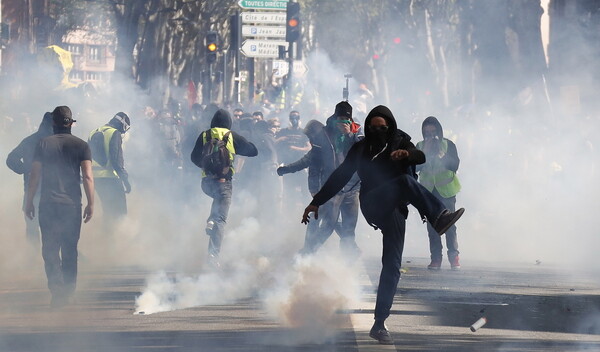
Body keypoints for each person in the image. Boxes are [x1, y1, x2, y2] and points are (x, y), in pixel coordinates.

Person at [301, 105, 464, 345]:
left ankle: (379, 324)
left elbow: (420, 157)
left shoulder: (400, 141)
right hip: (373, 202)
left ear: (390, 127)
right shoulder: (361, 149)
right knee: (404, 181)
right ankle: (438, 216)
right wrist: (316, 202)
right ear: (367, 128)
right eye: (373, 127)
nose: (378, 131)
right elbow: (340, 177)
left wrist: (406, 155)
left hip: (396, 208)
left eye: (383, 127)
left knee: (392, 266)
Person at [24, 106, 94, 308]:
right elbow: (88, 176)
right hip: (72, 206)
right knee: (70, 250)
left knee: (50, 251)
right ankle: (69, 293)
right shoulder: (81, 145)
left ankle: (57, 293)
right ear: (71, 123)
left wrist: (29, 202)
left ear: (53, 123)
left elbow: (34, 176)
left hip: (48, 205)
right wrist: (91, 203)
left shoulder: (43, 144)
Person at [279, 102, 363, 257]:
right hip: (332, 188)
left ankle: (349, 261)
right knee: (327, 223)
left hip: (353, 187)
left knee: (348, 228)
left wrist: (349, 135)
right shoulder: (325, 134)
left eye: (347, 119)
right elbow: (312, 162)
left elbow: (364, 151)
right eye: (341, 118)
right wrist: (313, 190)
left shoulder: (357, 131)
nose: (343, 122)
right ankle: (308, 252)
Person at [191, 109, 258, 268]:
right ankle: (213, 256)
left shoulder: (205, 135)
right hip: (224, 183)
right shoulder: (231, 136)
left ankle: (211, 220)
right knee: (220, 219)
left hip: (206, 183)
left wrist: (206, 168)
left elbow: (193, 157)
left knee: (216, 205)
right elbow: (253, 151)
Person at [416, 116, 462, 270]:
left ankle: (454, 256)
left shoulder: (448, 145)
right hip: (428, 192)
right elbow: (414, 167)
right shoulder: (420, 146)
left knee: (450, 224)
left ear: (439, 132)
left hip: (446, 191)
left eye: (434, 132)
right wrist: (425, 153)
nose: (431, 136)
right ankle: (435, 259)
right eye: (427, 133)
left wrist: (442, 155)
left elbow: (454, 165)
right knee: (432, 226)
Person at [6, 112, 54, 249]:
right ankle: (50, 259)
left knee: (33, 228)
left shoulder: (29, 140)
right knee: (53, 226)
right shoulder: (56, 141)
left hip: (32, 191)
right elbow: (11, 159)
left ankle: (33, 260)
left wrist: (25, 169)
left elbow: (11, 159)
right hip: (49, 192)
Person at [88, 112, 131, 228]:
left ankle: (106, 237)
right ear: (122, 124)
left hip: (95, 178)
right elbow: (116, 159)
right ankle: (119, 239)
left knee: (107, 211)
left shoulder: (94, 132)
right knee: (120, 213)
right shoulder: (114, 133)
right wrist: (125, 180)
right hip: (111, 177)